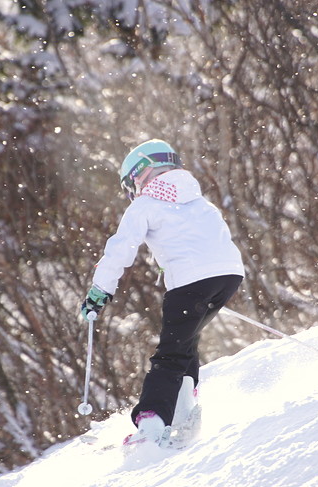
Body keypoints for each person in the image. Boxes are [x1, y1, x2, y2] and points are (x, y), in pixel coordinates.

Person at [80, 139, 244, 446]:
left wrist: (99, 291)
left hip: (190, 283)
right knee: (186, 342)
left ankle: (152, 425)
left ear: (142, 174)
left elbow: (120, 250)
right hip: (229, 275)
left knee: (169, 354)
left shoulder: (145, 204)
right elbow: (211, 239)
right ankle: (184, 411)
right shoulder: (200, 202)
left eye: (132, 183)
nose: (133, 191)